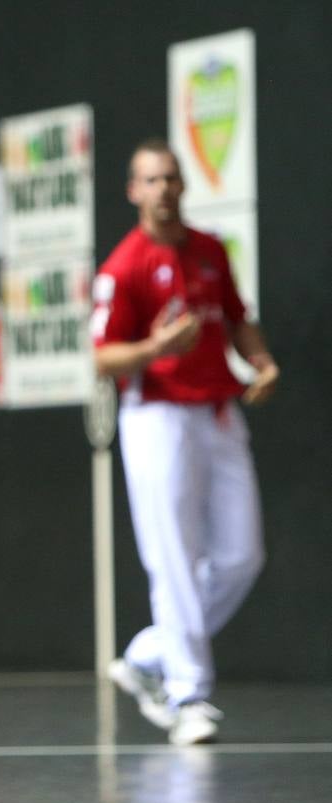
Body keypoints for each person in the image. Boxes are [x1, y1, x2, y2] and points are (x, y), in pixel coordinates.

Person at [92, 138, 279, 746]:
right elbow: (102, 356)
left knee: (241, 555)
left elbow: (237, 315)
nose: (164, 189)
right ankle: (188, 693)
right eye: (151, 180)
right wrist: (155, 350)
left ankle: (148, 656)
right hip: (157, 419)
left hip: (220, 414)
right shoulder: (123, 267)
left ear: (182, 185)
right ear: (133, 191)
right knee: (173, 558)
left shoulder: (209, 250)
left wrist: (261, 360)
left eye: (171, 178)